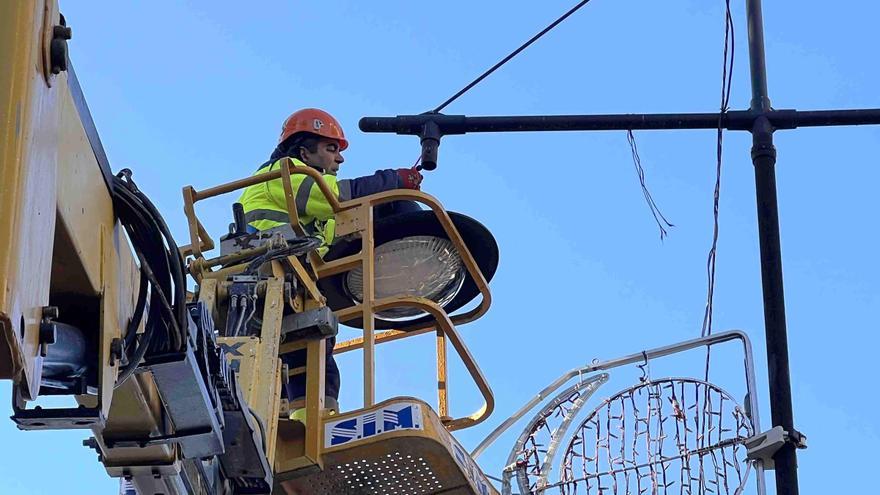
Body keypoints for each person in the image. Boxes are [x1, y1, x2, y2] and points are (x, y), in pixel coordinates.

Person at [237, 108, 423, 421]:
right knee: (309, 352)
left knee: (311, 352)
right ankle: (308, 423)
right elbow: (334, 198)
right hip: (270, 272)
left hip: (291, 279)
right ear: (303, 151)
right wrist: (392, 181)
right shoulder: (286, 172)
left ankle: (299, 421)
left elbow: (341, 233)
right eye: (331, 149)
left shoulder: (311, 209)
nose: (339, 159)